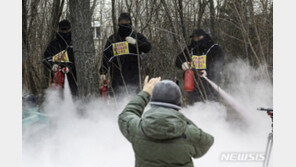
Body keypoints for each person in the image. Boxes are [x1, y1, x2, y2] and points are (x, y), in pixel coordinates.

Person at [118, 76, 214, 167]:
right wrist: (182, 119)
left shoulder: (138, 128)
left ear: (152, 101)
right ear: (178, 104)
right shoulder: (189, 133)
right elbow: (208, 141)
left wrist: (145, 92)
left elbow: (126, 115)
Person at [100, 13, 151, 95]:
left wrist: (135, 42)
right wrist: (103, 71)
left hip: (134, 75)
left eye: (126, 21)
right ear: (118, 23)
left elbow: (148, 47)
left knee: (133, 97)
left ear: (130, 22)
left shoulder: (136, 36)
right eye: (121, 21)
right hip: (116, 76)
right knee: (117, 97)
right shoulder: (113, 39)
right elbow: (106, 55)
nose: (124, 23)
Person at [175, 29, 224, 104]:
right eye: (194, 38)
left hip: (210, 84)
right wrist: (183, 64)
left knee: (211, 105)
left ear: (204, 36)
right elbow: (178, 59)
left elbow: (220, 63)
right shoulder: (190, 49)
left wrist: (208, 72)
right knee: (194, 106)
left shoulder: (214, 48)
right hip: (193, 84)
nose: (196, 39)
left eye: (199, 37)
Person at [43, 20, 78, 97]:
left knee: (74, 96)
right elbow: (45, 58)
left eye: (67, 29)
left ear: (70, 29)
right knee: (58, 97)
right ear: (59, 30)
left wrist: (70, 67)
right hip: (57, 77)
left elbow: (79, 59)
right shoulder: (54, 43)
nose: (65, 32)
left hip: (73, 77)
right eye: (63, 29)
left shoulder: (75, 43)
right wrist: (52, 65)